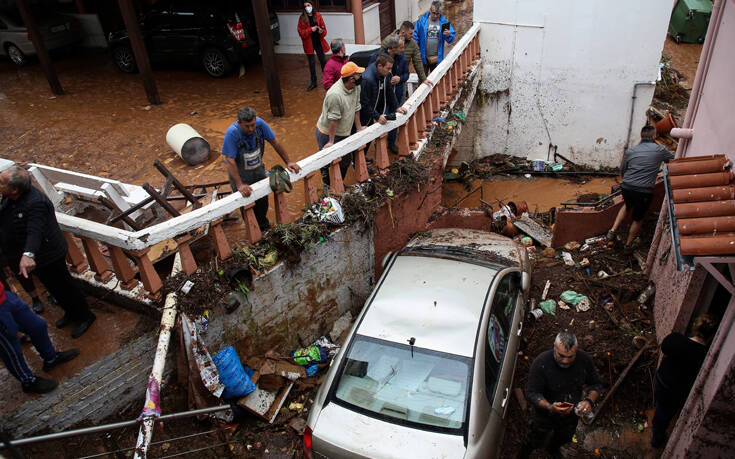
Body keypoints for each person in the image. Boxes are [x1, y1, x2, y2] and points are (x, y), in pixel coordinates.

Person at [0, 166, 96, 339]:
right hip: (36, 258)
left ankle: (85, 316)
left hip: (49, 254)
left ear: (14, 189)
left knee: (65, 286)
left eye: (1, 183)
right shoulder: (9, 199)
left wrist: (28, 254)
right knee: (53, 288)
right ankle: (70, 313)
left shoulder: (35, 202)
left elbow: (34, 231)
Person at [519, 332, 603, 459]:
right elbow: (532, 393)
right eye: (561, 356)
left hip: (570, 415)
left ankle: (552, 450)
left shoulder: (584, 360)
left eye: (571, 357)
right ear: (554, 347)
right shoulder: (541, 363)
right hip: (544, 414)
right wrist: (550, 407)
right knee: (533, 439)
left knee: (563, 438)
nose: (566, 361)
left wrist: (589, 401)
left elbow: (596, 384)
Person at [222, 107, 301, 232]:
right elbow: (229, 161)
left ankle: (264, 228)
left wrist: (288, 162)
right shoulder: (232, 133)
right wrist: (240, 185)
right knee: (247, 205)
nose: (251, 129)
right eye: (247, 126)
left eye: (253, 125)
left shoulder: (260, 125)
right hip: (240, 175)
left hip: (258, 169)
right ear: (239, 122)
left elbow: (275, 141)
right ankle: (253, 232)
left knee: (263, 202)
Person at [651, 314, 717, 449]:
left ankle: (658, 433)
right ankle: (656, 440)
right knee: (664, 414)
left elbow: (665, 347)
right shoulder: (705, 356)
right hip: (676, 393)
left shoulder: (676, 340)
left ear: (694, 327)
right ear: (712, 336)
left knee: (662, 409)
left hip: (661, 381)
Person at [0, 281, 79, 394]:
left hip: (5, 296)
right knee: (10, 348)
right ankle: (28, 381)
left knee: (37, 325)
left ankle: (51, 358)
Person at [607, 125, 674, 247]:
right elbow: (674, 160)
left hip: (626, 186)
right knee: (638, 218)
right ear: (654, 136)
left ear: (641, 136)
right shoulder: (660, 150)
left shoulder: (631, 151)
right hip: (643, 191)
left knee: (627, 205)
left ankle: (612, 231)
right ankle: (628, 245)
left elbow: (622, 170)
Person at [316, 61, 366, 187]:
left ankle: (338, 184)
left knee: (345, 161)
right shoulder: (335, 94)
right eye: (358, 74)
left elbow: (356, 107)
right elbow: (333, 120)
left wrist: (359, 127)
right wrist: (331, 142)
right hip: (327, 132)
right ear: (351, 79)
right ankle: (328, 186)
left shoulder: (356, 87)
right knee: (327, 162)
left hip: (344, 131)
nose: (361, 76)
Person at [360, 54, 408, 152]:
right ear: (379, 66)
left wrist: (397, 107)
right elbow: (364, 103)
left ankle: (363, 159)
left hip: (375, 107)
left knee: (369, 137)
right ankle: (356, 164)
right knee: (362, 138)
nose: (390, 71)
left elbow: (390, 91)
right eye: (388, 68)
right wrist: (377, 116)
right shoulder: (367, 79)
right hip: (363, 113)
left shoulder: (385, 74)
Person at [369, 36, 409, 154]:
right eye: (401, 47)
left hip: (397, 93)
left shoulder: (401, 58)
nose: (403, 50)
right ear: (392, 48)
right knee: (381, 119)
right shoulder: (378, 57)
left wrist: (400, 78)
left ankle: (391, 143)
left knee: (394, 118)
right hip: (382, 96)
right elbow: (372, 74)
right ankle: (379, 145)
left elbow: (406, 74)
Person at [414, 1, 456, 74]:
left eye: (437, 14)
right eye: (434, 13)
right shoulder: (422, 20)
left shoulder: (444, 22)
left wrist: (448, 35)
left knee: (436, 80)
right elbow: (415, 34)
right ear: (430, 10)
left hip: (437, 58)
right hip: (423, 57)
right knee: (422, 80)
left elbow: (451, 38)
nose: (435, 16)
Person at [297, 1, 329, 91]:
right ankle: (313, 83)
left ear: (312, 6)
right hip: (309, 44)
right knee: (311, 64)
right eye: (305, 6)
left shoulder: (318, 15)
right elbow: (301, 33)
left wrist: (321, 31)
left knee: (323, 61)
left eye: (308, 5)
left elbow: (324, 30)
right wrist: (311, 29)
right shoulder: (302, 18)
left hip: (318, 42)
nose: (307, 7)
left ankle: (328, 80)